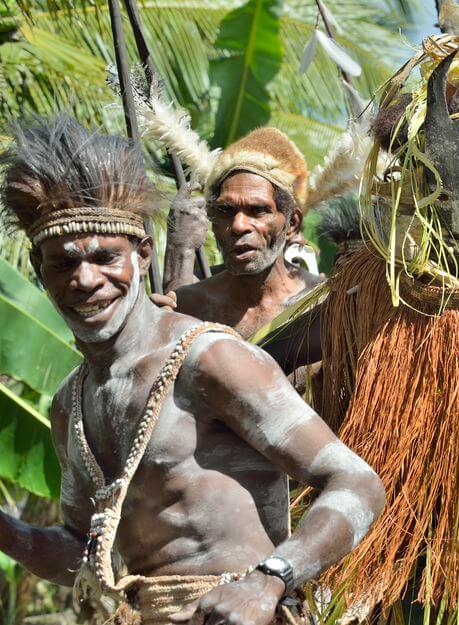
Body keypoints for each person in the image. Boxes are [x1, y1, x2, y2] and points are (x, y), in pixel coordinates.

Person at [0, 116, 385, 625]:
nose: (85, 280)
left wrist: (268, 580)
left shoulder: (209, 358)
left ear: (141, 254)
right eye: (62, 264)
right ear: (38, 269)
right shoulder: (71, 401)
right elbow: (81, 552)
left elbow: (357, 484)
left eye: (105, 257)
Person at [161, 128, 324, 339]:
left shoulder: (323, 304)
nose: (238, 225)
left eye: (257, 210)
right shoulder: (190, 305)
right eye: (225, 211)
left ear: (292, 223)